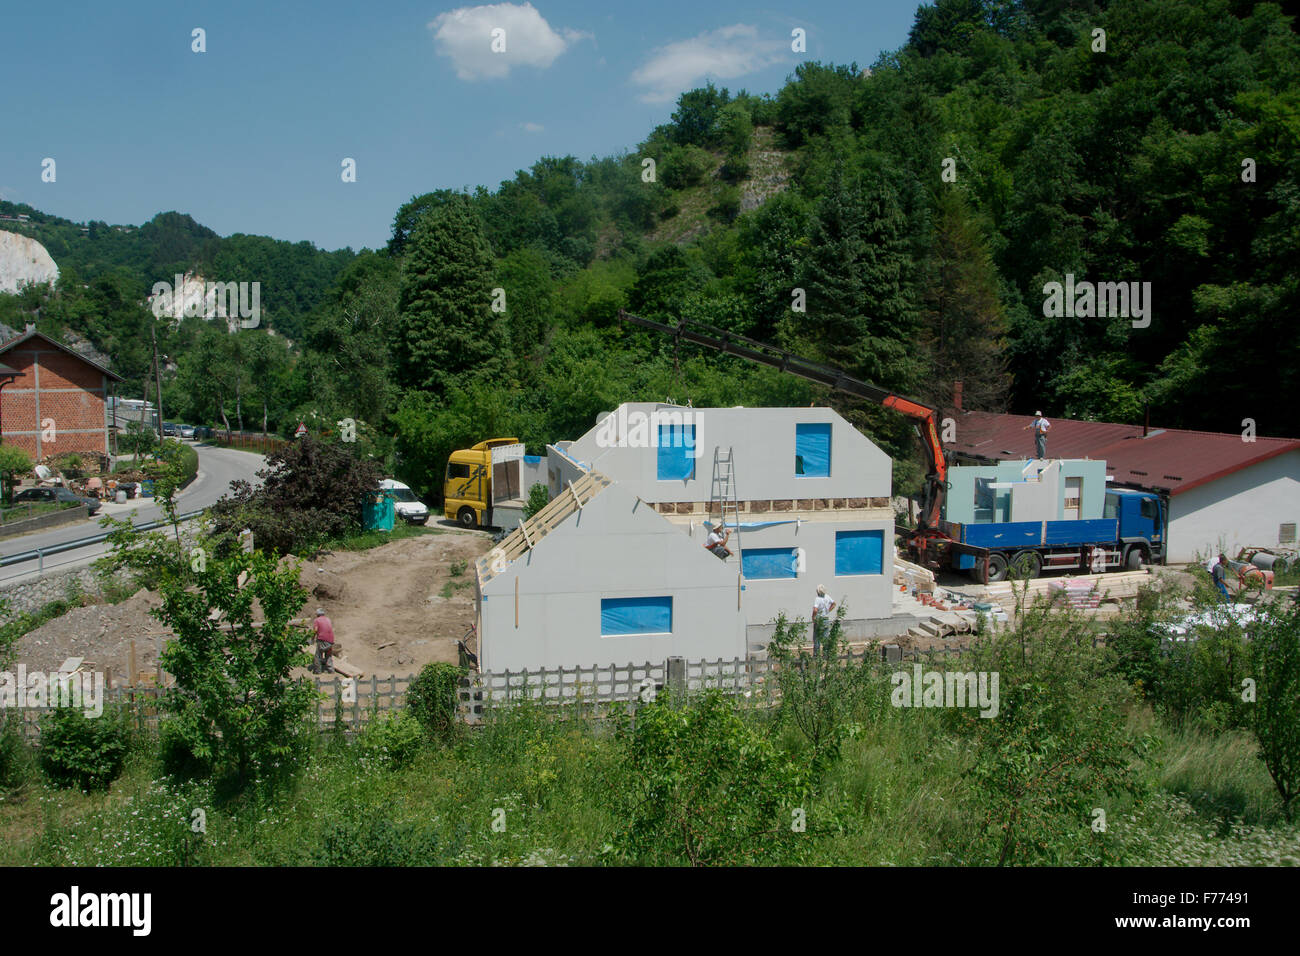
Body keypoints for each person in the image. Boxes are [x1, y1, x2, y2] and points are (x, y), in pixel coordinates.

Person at [811, 585, 836, 658]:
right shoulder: (827, 597)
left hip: (819, 620)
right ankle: (825, 654)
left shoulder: (817, 599)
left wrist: (813, 617)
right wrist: (828, 610)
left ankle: (816, 655)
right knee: (825, 637)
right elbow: (834, 604)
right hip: (826, 619)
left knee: (817, 638)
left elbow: (815, 610)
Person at [313, 608, 336, 673]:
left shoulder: (317, 620)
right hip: (331, 640)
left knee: (318, 655)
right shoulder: (328, 619)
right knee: (328, 655)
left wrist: (312, 638)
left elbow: (315, 630)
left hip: (322, 639)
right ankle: (331, 670)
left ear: (317, 614)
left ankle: (318, 671)